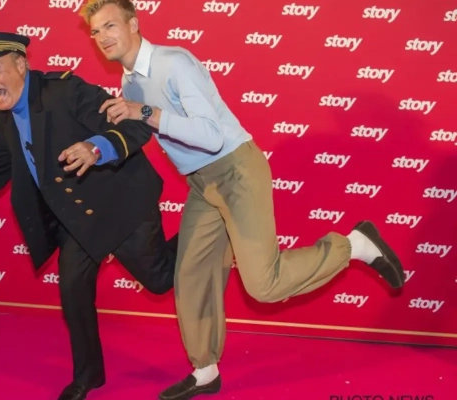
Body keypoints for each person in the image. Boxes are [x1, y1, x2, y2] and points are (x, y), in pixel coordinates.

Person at [79, 1, 407, 399]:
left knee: (264, 285)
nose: (103, 37)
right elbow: (144, 132)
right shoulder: (130, 84)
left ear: (133, 23)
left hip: (235, 170)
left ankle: (354, 245)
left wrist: (146, 111)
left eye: (110, 25)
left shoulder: (174, 63)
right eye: (95, 31)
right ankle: (205, 371)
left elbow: (211, 136)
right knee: (192, 276)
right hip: (202, 184)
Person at [0, 29, 178, 400]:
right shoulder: (1, 118)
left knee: (160, 280)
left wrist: (95, 148)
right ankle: (89, 376)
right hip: (77, 220)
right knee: (73, 293)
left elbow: (134, 125)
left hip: (120, 204)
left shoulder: (65, 90)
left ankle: (207, 233)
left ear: (21, 64)